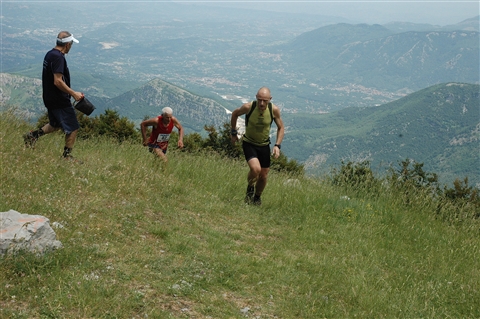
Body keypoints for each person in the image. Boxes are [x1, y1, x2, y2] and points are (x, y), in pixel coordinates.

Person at [23, 31, 84, 162]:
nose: (71, 46)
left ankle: (32, 136)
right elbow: (57, 81)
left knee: (55, 124)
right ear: (67, 45)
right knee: (73, 128)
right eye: (71, 44)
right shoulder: (58, 58)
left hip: (49, 97)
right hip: (59, 99)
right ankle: (66, 158)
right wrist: (73, 93)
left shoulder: (50, 54)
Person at [230, 87, 285, 206]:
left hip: (264, 145)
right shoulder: (248, 107)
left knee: (263, 175)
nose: (261, 103)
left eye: (265, 100)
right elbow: (235, 114)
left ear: (270, 99)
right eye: (259, 99)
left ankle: (257, 198)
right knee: (256, 169)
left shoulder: (273, 110)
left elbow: (281, 127)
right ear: (256, 97)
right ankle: (250, 189)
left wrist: (277, 145)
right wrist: (233, 133)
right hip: (249, 143)